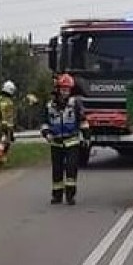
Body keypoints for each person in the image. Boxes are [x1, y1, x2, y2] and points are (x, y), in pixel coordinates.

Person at [41, 73, 89, 205]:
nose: (65, 92)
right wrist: (46, 133)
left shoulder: (75, 104)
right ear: (58, 89)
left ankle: (70, 195)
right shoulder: (49, 106)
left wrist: (86, 137)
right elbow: (44, 122)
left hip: (72, 141)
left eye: (67, 90)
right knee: (57, 170)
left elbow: (83, 122)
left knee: (71, 168)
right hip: (56, 142)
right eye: (63, 89)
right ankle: (57, 195)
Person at [0, 80, 16, 165]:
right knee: (6, 141)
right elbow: (9, 115)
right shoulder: (9, 102)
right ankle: (1, 156)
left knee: (0, 140)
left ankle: (0, 156)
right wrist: (11, 128)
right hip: (6, 125)